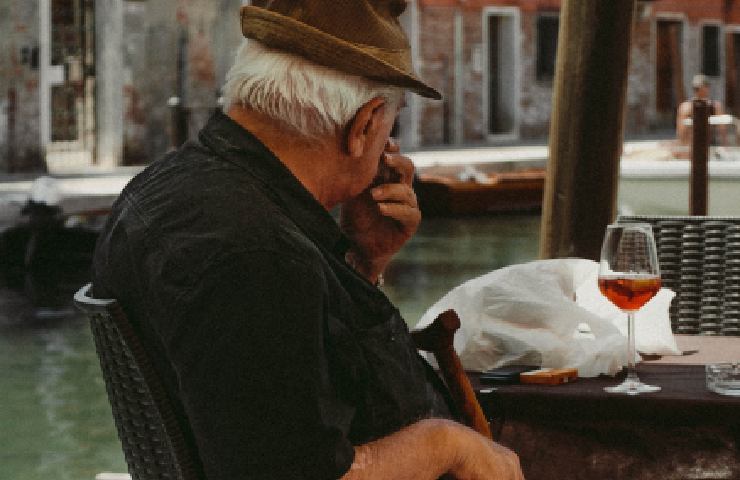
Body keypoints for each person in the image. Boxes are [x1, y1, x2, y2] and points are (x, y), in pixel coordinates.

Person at [92, 1, 524, 479]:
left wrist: (362, 261)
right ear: (363, 127)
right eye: (388, 129)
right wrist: (449, 445)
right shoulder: (254, 254)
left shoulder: (168, 188)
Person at [675, 74, 726, 153]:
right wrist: (683, 147)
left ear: (707, 88)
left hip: (710, 146)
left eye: (699, 88)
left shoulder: (715, 107)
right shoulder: (686, 107)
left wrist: (723, 146)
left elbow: (722, 129)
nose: (698, 91)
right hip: (691, 146)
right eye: (696, 89)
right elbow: (681, 130)